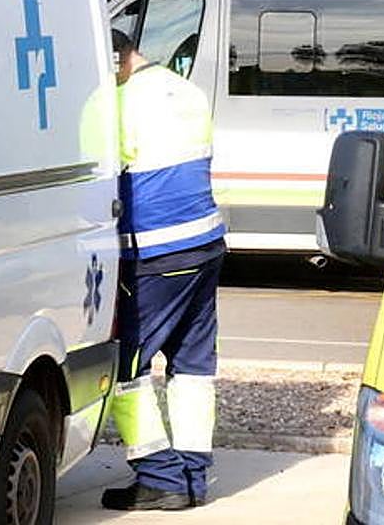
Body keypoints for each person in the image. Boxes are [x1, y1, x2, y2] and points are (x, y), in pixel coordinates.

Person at [101, 29, 227, 511]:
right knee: (193, 366)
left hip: (156, 251)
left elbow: (95, 175)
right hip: (206, 244)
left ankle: (159, 477)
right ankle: (193, 476)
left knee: (126, 367)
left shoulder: (117, 103)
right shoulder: (186, 90)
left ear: (116, 59)